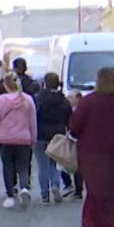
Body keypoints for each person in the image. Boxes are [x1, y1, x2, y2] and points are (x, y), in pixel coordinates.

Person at [69, 67, 114, 227]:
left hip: (93, 155)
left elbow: (75, 126)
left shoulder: (89, 102)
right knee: (113, 194)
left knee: (97, 192)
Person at [0, 73, 37, 210]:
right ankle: (24, 188)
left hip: (6, 138)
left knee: (8, 166)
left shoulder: (2, 100)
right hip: (24, 138)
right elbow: (32, 121)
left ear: (5, 85)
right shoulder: (27, 100)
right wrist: (33, 138)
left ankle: (10, 195)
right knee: (23, 166)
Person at [34, 72, 71, 204]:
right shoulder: (63, 100)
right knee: (54, 164)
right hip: (58, 135)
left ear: (45, 83)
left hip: (41, 135)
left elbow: (35, 116)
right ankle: (56, 185)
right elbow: (69, 119)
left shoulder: (39, 99)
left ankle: (45, 195)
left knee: (42, 166)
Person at [61, 91, 85, 199]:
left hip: (79, 140)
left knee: (77, 165)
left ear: (78, 99)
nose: (68, 99)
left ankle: (78, 190)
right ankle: (68, 184)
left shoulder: (81, 110)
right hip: (69, 138)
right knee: (63, 162)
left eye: (71, 97)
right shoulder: (66, 109)